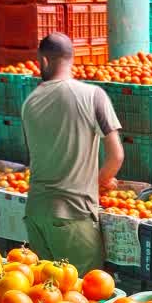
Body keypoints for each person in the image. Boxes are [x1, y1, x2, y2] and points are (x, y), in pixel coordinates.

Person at [20, 33, 124, 272]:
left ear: (44, 61)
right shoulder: (92, 95)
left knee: (47, 293)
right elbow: (116, 156)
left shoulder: (30, 102)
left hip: (36, 212)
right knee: (80, 297)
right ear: (71, 59)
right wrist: (102, 180)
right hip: (73, 215)